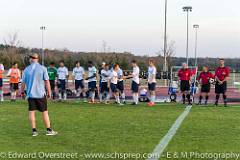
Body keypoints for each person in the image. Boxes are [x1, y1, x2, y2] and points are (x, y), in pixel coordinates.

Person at [21, 53, 57, 136]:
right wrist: (49, 92)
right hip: (40, 94)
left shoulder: (26, 69)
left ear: (30, 59)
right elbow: (47, 81)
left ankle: (34, 131)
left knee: (31, 112)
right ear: (37, 59)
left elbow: (23, 83)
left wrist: (22, 92)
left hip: (30, 95)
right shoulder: (43, 68)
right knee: (44, 112)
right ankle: (48, 130)